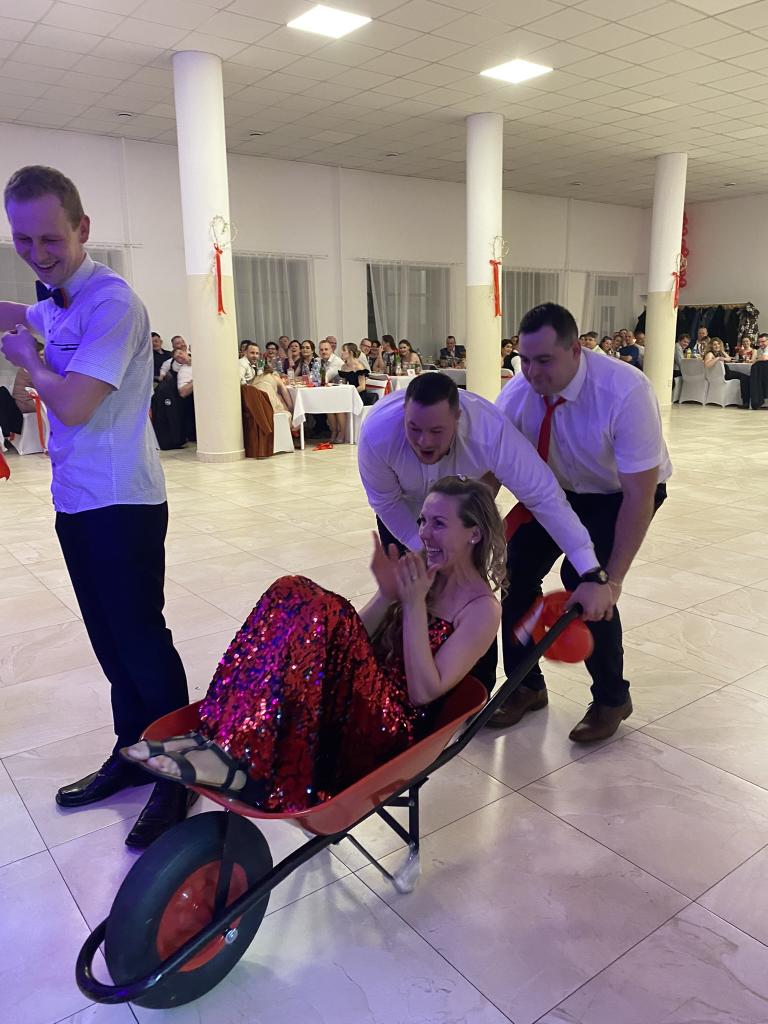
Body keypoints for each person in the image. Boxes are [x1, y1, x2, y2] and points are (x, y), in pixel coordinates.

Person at [0, 164, 190, 847]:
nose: (37, 253)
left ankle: (178, 775)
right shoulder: (57, 300)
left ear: (82, 228)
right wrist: (24, 330)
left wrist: (30, 361)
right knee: (109, 641)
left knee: (141, 641)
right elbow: (19, 314)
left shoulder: (112, 303)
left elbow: (76, 402)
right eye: (22, 240)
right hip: (77, 499)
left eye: (50, 238)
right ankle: (131, 751)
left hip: (123, 502)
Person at [121, 477, 504, 808]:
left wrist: (414, 604)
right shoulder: (424, 571)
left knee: (329, 610)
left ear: (474, 533)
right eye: (423, 521)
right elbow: (353, 639)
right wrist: (387, 596)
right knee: (291, 588)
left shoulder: (481, 609)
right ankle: (219, 737)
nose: (424, 534)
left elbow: (423, 693)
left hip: (393, 729)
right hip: (361, 699)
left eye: (439, 523)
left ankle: (237, 762)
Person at [358, 372, 613, 692]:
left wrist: (589, 569)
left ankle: (476, 688)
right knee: (407, 594)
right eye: (414, 429)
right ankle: (397, 674)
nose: (424, 442)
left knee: (470, 594)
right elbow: (386, 502)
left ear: (457, 417)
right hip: (405, 512)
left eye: (436, 431)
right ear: (403, 416)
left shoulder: (490, 432)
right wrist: (421, 546)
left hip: (460, 513)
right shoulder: (377, 433)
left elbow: (545, 497)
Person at [490, 303, 671, 741]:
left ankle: (612, 698)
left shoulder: (624, 391)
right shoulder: (517, 395)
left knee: (585, 582)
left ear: (576, 350)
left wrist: (612, 580)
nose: (531, 372)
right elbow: (489, 471)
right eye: (524, 359)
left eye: (544, 360)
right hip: (558, 494)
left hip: (619, 494)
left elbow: (639, 495)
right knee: (514, 574)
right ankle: (525, 686)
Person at [703, 338, 750, 406]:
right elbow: (707, 365)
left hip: (725, 373)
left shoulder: (720, 352)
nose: (717, 346)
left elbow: (729, 359)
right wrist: (717, 358)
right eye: (714, 345)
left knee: (746, 377)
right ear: (711, 346)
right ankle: (745, 402)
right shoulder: (710, 354)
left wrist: (722, 353)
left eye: (718, 344)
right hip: (722, 375)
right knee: (744, 377)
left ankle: (747, 400)